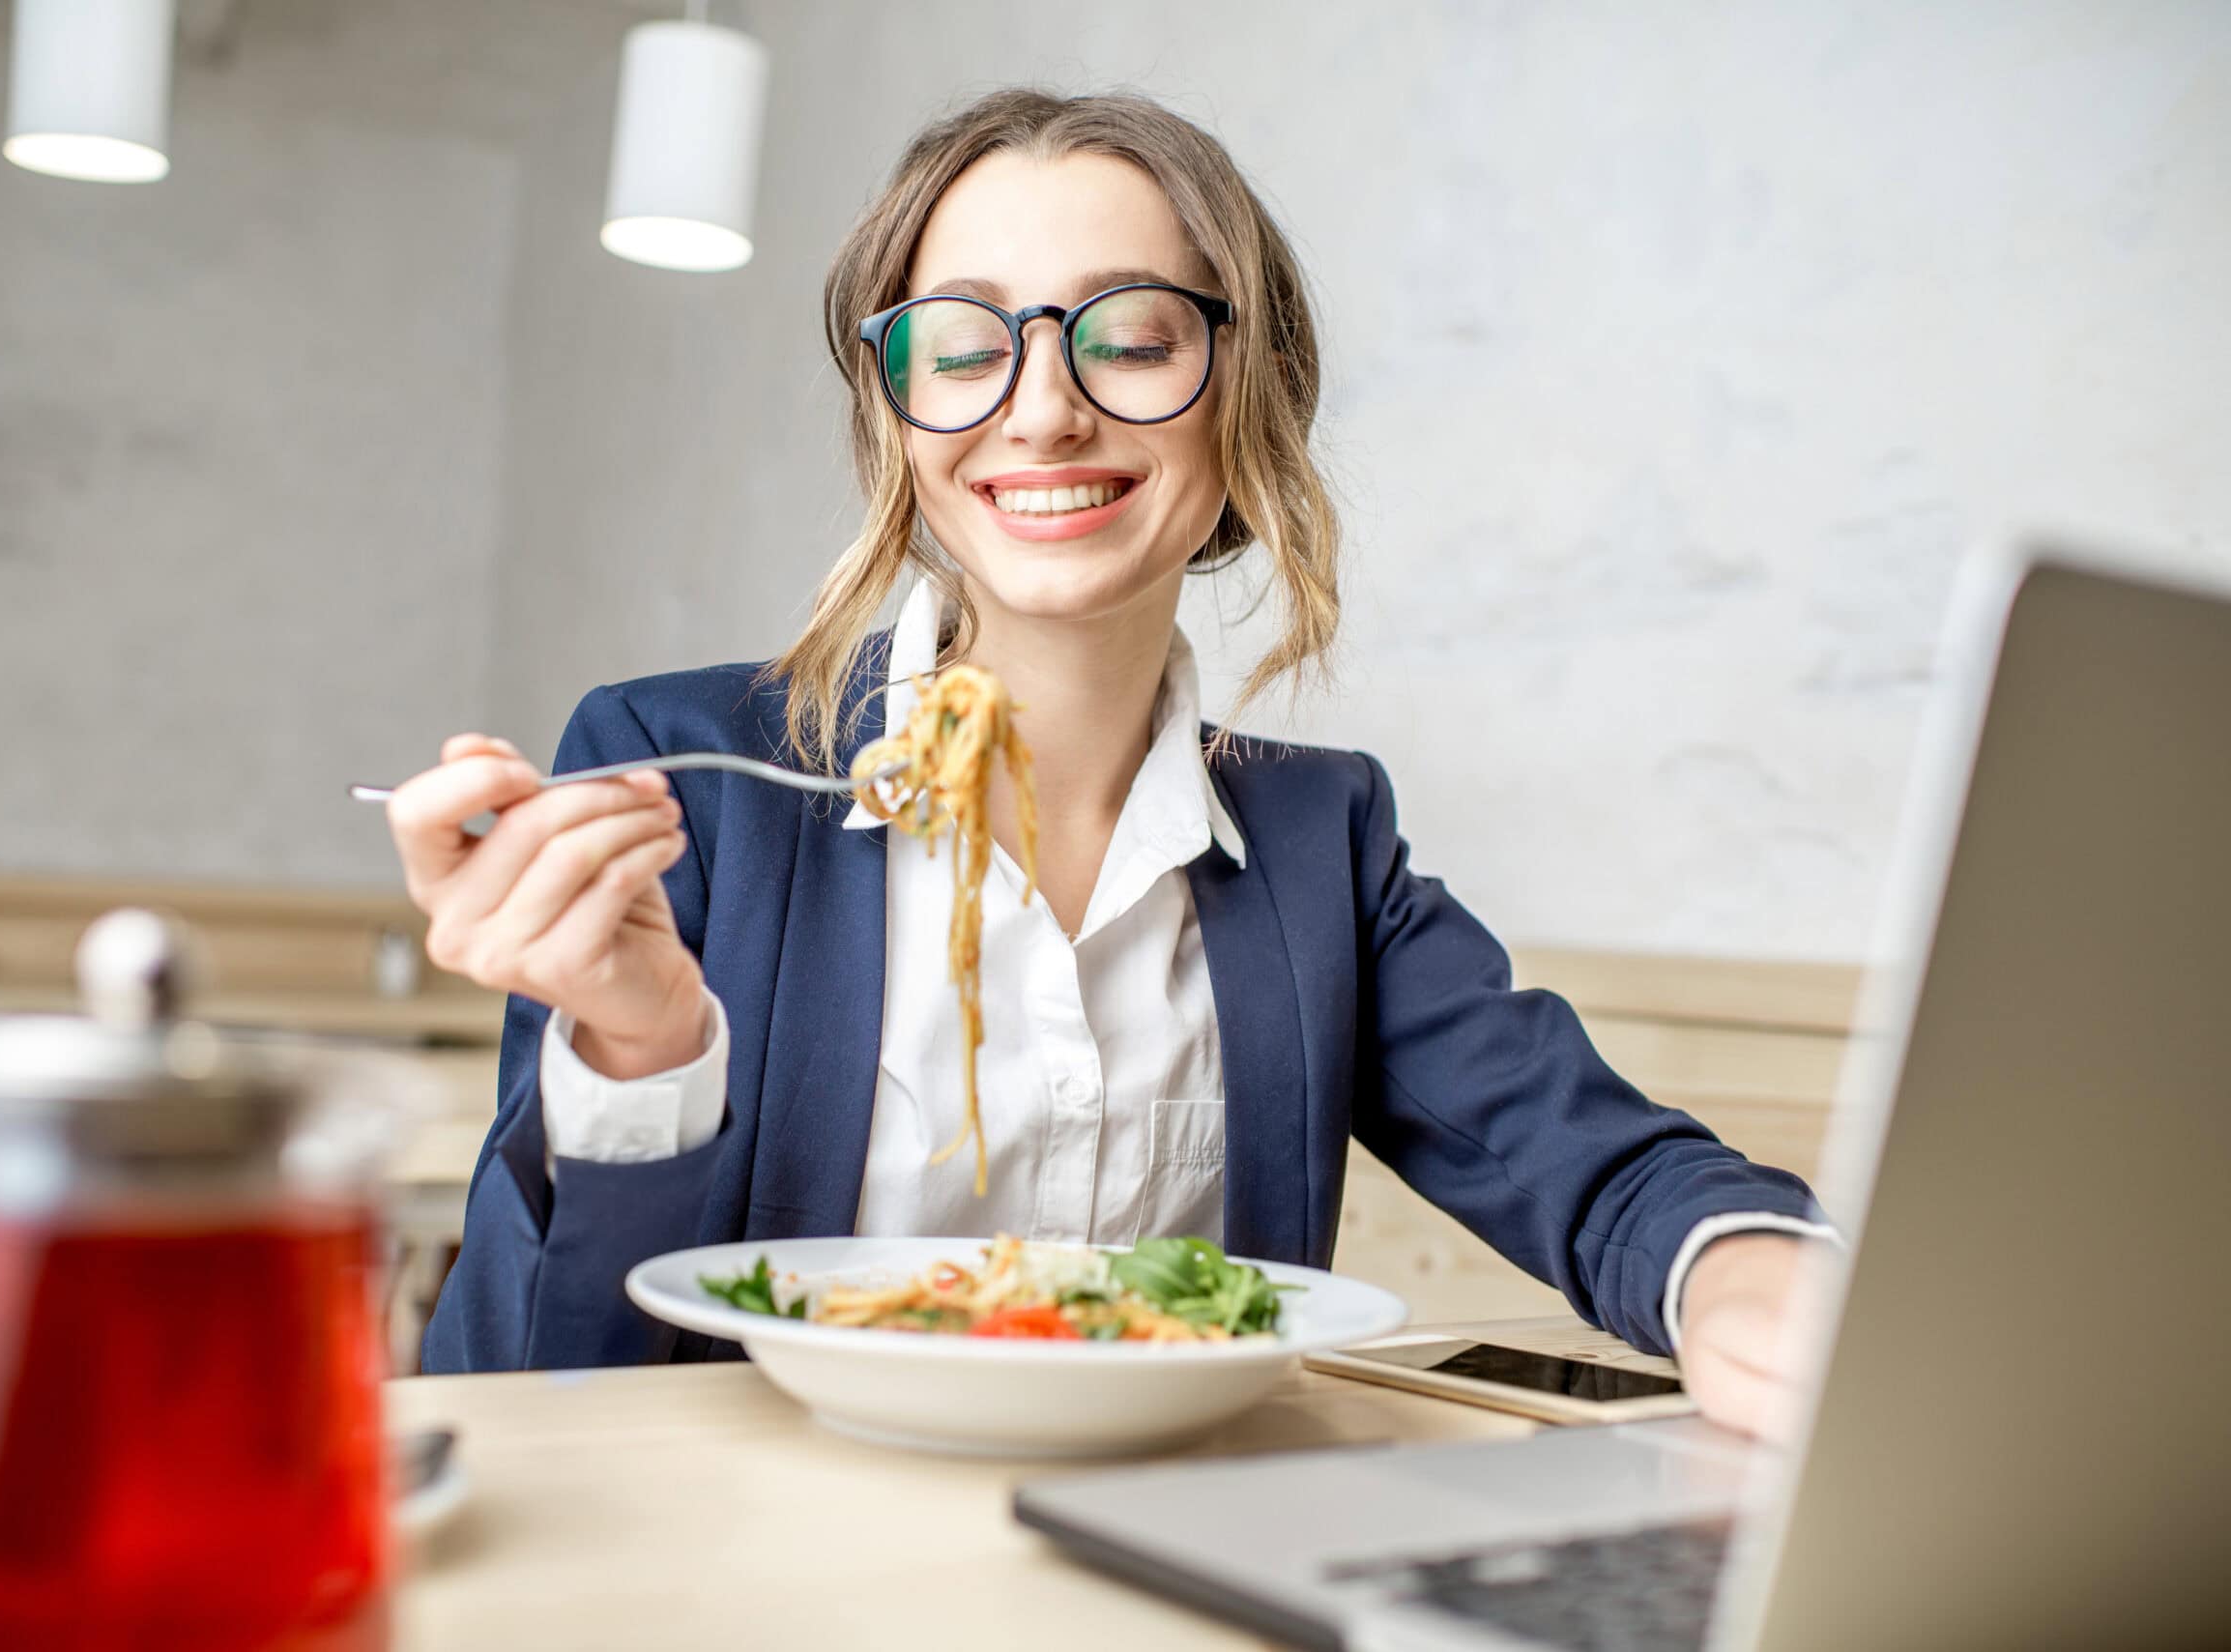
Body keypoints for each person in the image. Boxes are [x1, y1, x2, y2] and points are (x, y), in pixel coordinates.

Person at [389, 88, 1832, 1438]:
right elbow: (519, 1394)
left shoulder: (1319, 842)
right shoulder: (685, 780)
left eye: (1130, 338)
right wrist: (640, 1055)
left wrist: (1736, 1267)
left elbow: (1591, 1159)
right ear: (899, 413)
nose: (1040, 409)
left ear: (1244, 387)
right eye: (963, 346)